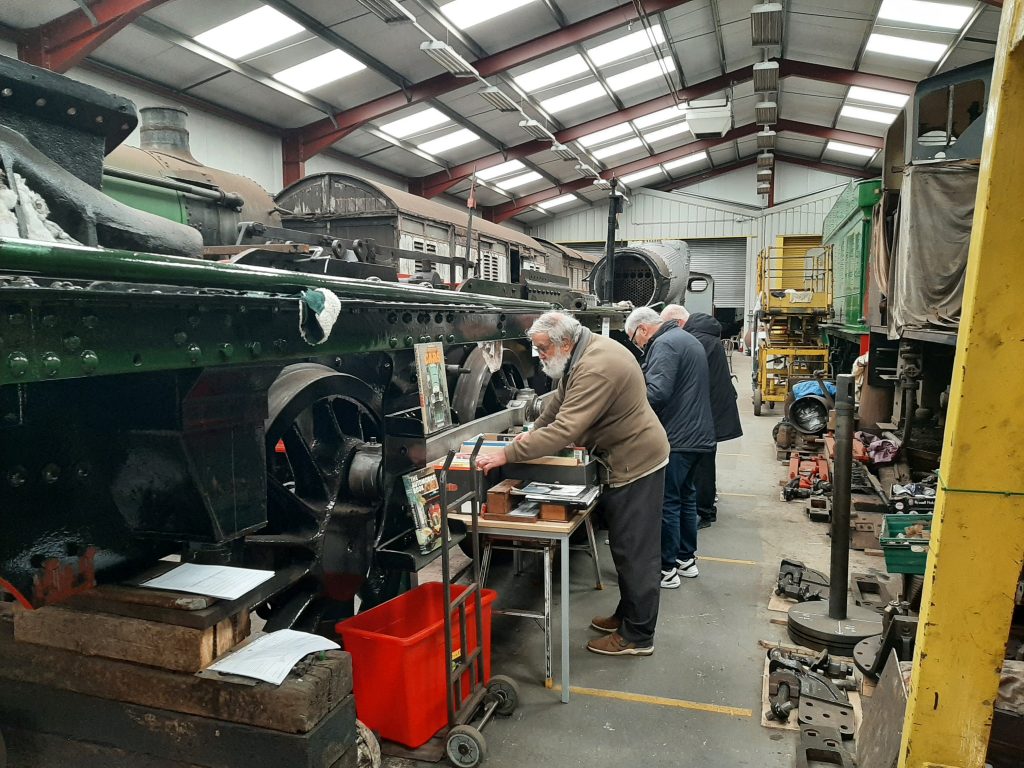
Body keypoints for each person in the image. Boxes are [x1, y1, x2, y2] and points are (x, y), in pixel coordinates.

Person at [476, 311, 669, 657]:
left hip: (636, 462)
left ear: (564, 341)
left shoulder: (595, 366)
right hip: (625, 456)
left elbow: (566, 430)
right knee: (626, 548)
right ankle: (629, 615)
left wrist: (508, 454)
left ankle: (638, 636)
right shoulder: (582, 353)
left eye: (543, 348)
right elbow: (556, 408)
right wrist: (530, 433)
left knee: (635, 551)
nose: (540, 356)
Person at [625, 307, 716, 589]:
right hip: (697, 434)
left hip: (678, 437)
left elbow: (657, 391)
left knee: (668, 502)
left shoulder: (665, 344)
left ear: (642, 329)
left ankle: (666, 569)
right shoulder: (684, 338)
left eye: (634, 339)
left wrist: (626, 411)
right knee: (686, 498)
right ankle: (685, 560)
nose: (637, 346)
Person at [661, 304, 743, 528]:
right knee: (704, 461)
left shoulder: (697, 341)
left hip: (707, 410)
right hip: (713, 407)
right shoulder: (705, 337)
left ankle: (704, 512)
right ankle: (705, 506)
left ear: (678, 323)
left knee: (702, 465)